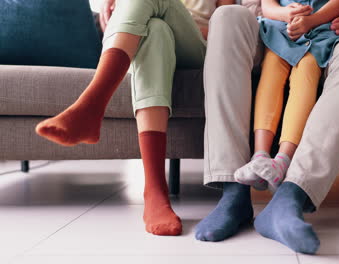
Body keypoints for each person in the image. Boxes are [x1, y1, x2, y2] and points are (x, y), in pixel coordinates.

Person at [196, 0, 339, 254]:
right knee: (228, 14)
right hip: (263, 32)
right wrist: (281, 16)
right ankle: (233, 193)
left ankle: (291, 196)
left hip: (323, 35)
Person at [35, 0, 234, 236]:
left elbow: (224, 28)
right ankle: (155, 191)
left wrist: (169, 15)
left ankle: (92, 105)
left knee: (159, 18)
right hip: (146, 37)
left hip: (195, 46)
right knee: (157, 31)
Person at [234, 0, 339, 193]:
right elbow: (268, 5)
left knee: (305, 72)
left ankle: (283, 159)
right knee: (271, 71)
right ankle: (260, 155)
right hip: (280, 29)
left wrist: (310, 21)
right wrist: (283, 14)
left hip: (319, 32)